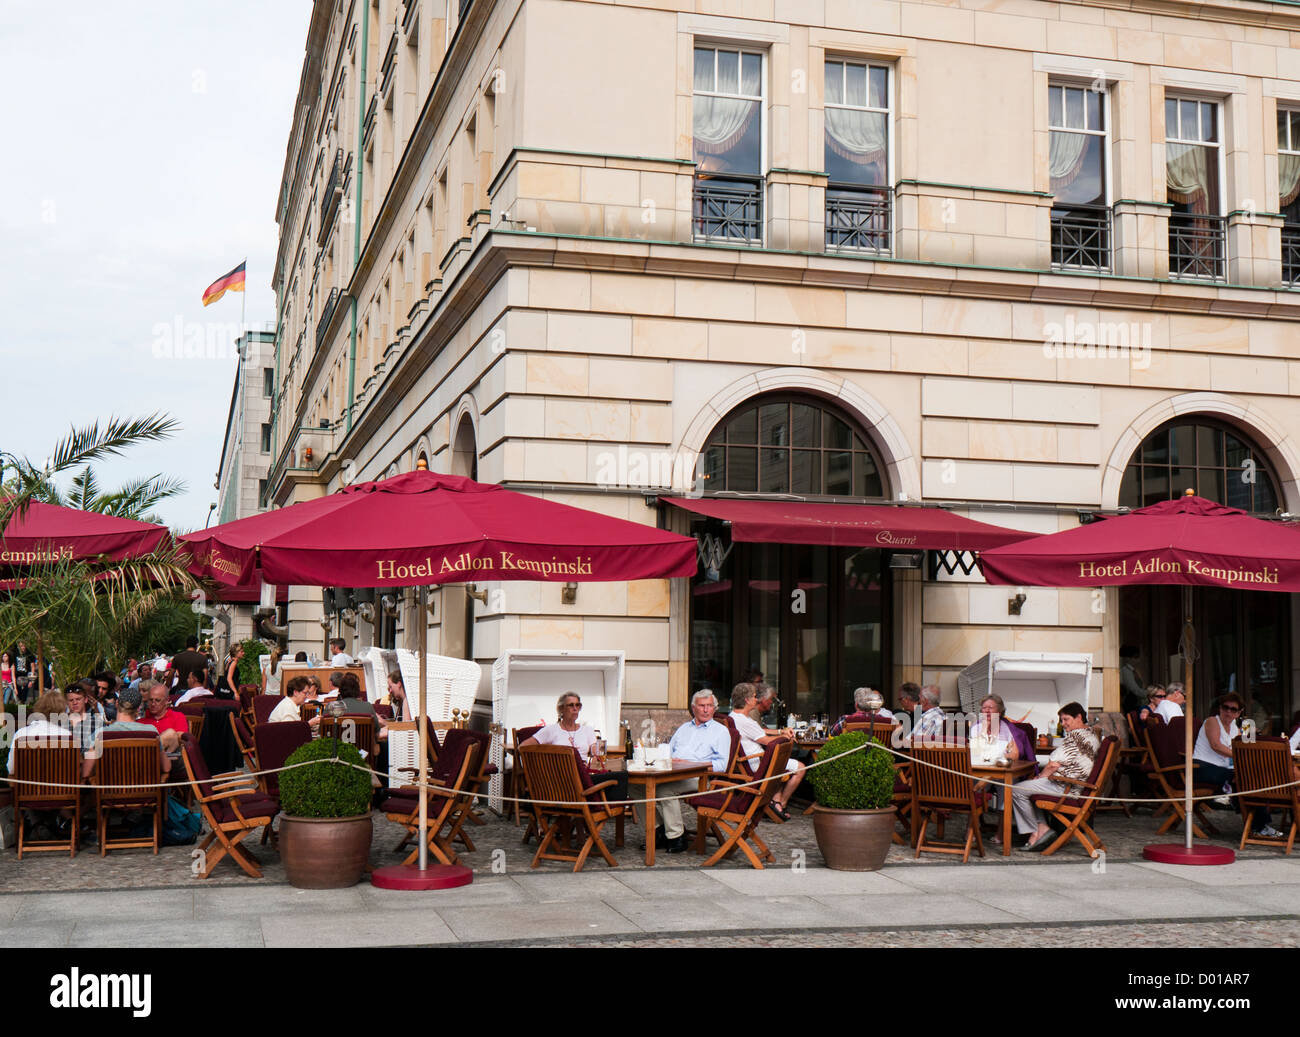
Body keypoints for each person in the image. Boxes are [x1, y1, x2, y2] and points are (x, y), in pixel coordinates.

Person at [648, 690, 732, 853]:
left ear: (715, 708)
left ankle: (676, 837)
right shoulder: (684, 728)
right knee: (635, 787)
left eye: (710, 706)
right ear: (694, 708)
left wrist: (689, 763)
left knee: (663, 790)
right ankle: (658, 831)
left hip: (698, 778)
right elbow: (667, 752)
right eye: (702, 706)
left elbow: (722, 765)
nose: (706, 710)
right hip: (670, 773)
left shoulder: (720, 731)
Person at [1012, 702, 1100, 851]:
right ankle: (1041, 827)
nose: (1063, 724)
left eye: (1066, 719)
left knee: (1015, 790)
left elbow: (1053, 765)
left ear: (1078, 717)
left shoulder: (1076, 737)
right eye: (1061, 720)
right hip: (1078, 786)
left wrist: (1039, 778)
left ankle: (1036, 831)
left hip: (1067, 787)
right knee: (1028, 789)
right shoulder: (1091, 734)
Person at [729, 682, 804, 818]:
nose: (756, 699)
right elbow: (767, 741)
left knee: (781, 763)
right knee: (800, 768)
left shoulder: (733, 717)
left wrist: (781, 731)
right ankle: (780, 803)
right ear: (747, 700)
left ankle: (775, 801)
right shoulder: (745, 721)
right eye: (754, 696)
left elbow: (758, 731)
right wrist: (785, 737)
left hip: (749, 762)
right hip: (759, 764)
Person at [83, 686, 171, 779]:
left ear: (117, 704)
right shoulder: (151, 732)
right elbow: (166, 767)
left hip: (110, 791)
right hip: (144, 790)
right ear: (138, 709)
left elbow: (86, 772)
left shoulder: (101, 734)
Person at [520, 691, 598, 757]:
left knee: (608, 774)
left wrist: (595, 750)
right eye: (571, 705)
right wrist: (547, 752)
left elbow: (595, 752)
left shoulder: (587, 730)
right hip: (561, 773)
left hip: (583, 771)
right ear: (561, 709)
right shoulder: (551, 730)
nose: (575, 709)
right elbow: (522, 747)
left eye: (577, 705)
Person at [139, 680, 189, 752]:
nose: (153, 704)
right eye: (150, 700)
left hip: (172, 758)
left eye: (157, 700)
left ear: (166, 701)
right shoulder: (141, 720)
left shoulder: (177, 717)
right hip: (145, 758)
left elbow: (183, 740)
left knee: (170, 733)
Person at [830, 686, 894, 736]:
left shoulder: (845, 720)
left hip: (852, 752)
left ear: (856, 705)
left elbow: (831, 734)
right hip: (877, 752)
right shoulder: (885, 721)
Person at [65, 680, 104, 755]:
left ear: (86, 699)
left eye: (78, 699)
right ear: (67, 702)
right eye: (71, 700)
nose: (75, 703)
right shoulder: (60, 722)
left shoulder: (95, 723)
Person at [1119, 644, 1146, 715]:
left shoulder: (1134, 670)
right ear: (1128, 658)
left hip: (1136, 703)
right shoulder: (1126, 671)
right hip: (1130, 704)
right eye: (1136, 657)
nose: (1138, 660)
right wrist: (1149, 693)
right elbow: (1134, 689)